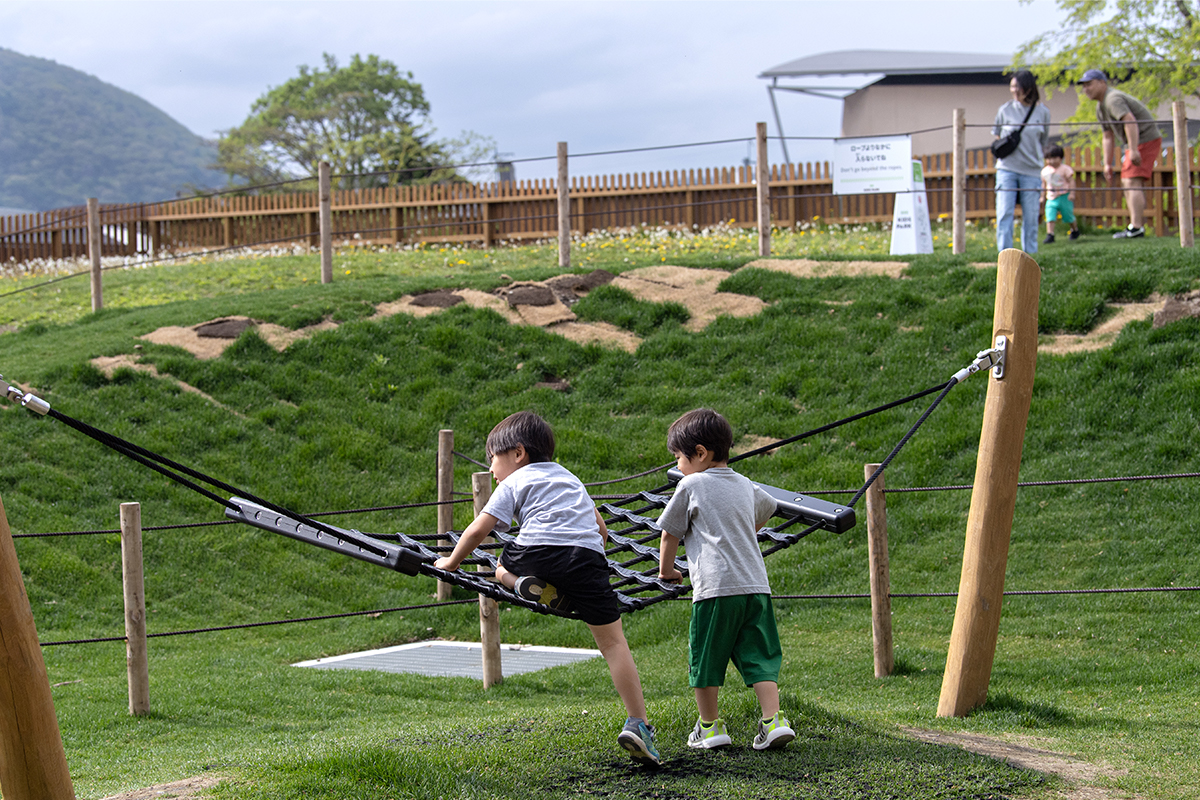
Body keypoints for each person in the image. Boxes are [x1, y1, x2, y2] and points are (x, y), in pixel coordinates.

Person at [433, 411, 661, 767]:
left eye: (493, 458)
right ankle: (639, 722)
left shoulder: (514, 482)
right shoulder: (571, 479)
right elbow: (600, 529)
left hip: (536, 551)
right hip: (587, 560)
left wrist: (451, 562)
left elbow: (481, 529)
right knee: (615, 644)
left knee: (501, 567)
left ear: (518, 454)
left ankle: (520, 583)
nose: (491, 469)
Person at [656, 408, 795, 751]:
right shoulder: (746, 484)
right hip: (755, 586)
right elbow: (767, 508)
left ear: (700, 453)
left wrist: (666, 571)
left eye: (679, 458)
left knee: (706, 658)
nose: (678, 466)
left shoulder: (691, 484)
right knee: (760, 656)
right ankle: (773, 720)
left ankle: (709, 727)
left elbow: (669, 534)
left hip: (716, 589)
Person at [1077, 68, 1163, 239]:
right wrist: (1107, 163)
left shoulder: (1112, 98)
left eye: (1089, 84)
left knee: (1132, 180)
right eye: (1083, 85)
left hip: (1144, 138)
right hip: (1134, 142)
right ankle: (1134, 226)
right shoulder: (1101, 107)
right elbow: (1107, 136)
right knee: (1126, 181)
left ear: (1102, 83)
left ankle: (1137, 227)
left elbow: (1129, 121)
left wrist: (1133, 149)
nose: (1086, 89)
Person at [992, 69, 1051, 254]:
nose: (1014, 91)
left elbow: (1043, 141)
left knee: (1031, 217)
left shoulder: (1043, 112)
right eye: (1012, 87)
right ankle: (1005, 256)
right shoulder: (1005, 110)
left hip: (1031, 171)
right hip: (1007, 169)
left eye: (1018, 87)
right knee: (1004, 214)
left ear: (1029, 87)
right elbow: (997, 136)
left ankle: (1030, 258)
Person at [1040, 144, 1079, 244]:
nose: (1052, 161)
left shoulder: (1065, 169)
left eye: (1054, 158)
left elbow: (1071, 181)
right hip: (1051, 197)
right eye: (1049, 158)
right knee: (1050, 215)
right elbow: (1043, 184)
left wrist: (1072, 193)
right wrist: (1042, 196)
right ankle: (1050, 235)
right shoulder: (1045, 171)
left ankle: (1074, 230)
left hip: (1064, 196)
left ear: (1060, 158)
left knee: (1068, 215)